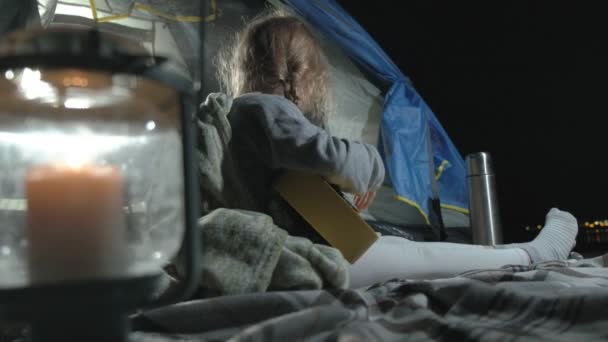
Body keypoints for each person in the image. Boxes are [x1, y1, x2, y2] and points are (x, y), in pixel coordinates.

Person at [214, 10, 578, 289]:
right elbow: (339, 160)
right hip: (302, 259)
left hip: (295, 250)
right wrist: (370, 168)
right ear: (303, 73)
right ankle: (531, 255)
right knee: (413, 254)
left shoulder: (244, 118)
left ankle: (512, 254)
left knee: (399, 249)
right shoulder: (264, 108)